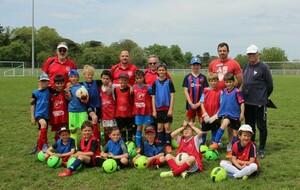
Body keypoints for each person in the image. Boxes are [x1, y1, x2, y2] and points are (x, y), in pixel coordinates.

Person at [208, 42, 243, 156]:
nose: (222, 52)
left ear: (228, 51)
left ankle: (230, 144)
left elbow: (239, 79)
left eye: (224, 50)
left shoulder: (234, 63)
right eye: (220, 51)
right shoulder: (213, 63)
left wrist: (231, 93)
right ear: (218, 51)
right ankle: (215, 141)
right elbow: (211, 78)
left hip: (229, 98)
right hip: (216, 96)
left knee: (230, 122)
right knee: (217, 119)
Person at [242, 44, 273, 158]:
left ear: (258, 54)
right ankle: (251, 146)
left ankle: (261, 149)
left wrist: (263, 97)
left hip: (259, 102)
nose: (251, 55)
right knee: (249, 126)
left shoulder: (263, 67)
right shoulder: (245, 66)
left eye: (253, 53)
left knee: (261, 126)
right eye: (249, 53)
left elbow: (270, 85)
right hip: (247, 102)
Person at [210, 73, 245, 159]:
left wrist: (242, 114)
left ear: (233, 82)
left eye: (230, 82)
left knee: (235, 133)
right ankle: (215, 143)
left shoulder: (237, 91)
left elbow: (242, 103)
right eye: (227, 82)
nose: (228, 84)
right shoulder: (225, 91)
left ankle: (233, 151)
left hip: (236, 116)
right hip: (227, 114)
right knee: (224, 124)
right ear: (225, 83)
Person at [151, 64, 175, 153]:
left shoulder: (169, 82)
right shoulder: (155, 83)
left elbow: (172, 96)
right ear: (157, 71)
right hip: (158, 109)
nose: (161, 72)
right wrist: (154, 110)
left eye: (163, 70)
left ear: (166, 71)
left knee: (167, 126)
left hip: (167, 108)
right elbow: (153, 97)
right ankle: (160, 144)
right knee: (160, 127)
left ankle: (168, 144)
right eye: (159, 70)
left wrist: (171, 109)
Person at [65, 69, 89, 149]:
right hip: (72, 111)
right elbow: (68, 98)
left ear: (78, 78)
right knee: (73, 130)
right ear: (69, 78)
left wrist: (84, 99)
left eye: (75, 77)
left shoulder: (82, 87)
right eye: (71, 77)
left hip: (82, 111)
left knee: (85, 130)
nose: (73, 78)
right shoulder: (68, 87)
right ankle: (74, 147)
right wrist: (67, 92)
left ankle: (85, 146)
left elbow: (86, 100)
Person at [182, 57, 208, 123]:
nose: (195, 67)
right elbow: (185, 91)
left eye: (197, 65)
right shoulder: (187, 77)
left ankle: (202, 133)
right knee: (191, 122)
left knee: (202, 121)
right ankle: (191, 133)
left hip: (201, 103)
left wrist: (199, 103)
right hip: (190, 104)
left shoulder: (203, 77)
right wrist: (190, 103)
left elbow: (206, 91)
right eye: (194, 65)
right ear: (191, 66)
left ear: (200, 66)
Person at [132, 70, 153, 153]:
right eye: (137, 78)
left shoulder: (148, 87)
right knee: (139, 127)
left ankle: (149, 143)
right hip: (138, 111)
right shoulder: (133, 87)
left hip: (147, 111)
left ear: (143, 78)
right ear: (135, 79)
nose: (139, 79)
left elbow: (153, 96)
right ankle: (138, 145)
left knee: (148, 127)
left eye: (140, 78)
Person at [30, 73, 51, 154]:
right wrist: (32, 117)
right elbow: (32, 105)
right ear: (39, 81)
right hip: (38, 114)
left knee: (42, 131)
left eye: (46, 81)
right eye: (42, 81)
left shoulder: (49, 90)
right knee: (43, 124)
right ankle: (45, 145)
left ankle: (38, 147)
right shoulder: (35, 93)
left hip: (46, 114)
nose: (44, 83)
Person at [200, 72, 222, 145]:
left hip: (215, 117)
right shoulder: (205, 90)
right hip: (206, 116)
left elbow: (222, 105)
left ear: (217, 81)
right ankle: (202, 144)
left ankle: (213, 145)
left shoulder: (220, 92)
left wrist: (216, 115)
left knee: (214, 131)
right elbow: (201, 103)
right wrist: (205, 114)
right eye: (211, 81)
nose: (213, 83)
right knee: (204, 131)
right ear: (209, 81)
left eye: (215, 81)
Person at [82, 65, 102, 142]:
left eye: (91, 74)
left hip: (98, 105)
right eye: (88, 74)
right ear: (84, 75)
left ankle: (97, 140)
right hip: (89, 106)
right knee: (93, 119)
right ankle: (94, 140)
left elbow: (107, 82)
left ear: (93, 74)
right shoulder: (82, 84)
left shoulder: (97, 82)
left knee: (97, 124)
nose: (89, 76)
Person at [114, 72, 134, 142]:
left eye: (125, 80)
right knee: (122, 129)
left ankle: (130, 142)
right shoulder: (116, 90)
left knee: (129, 129)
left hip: (128, 113)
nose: (123, 82)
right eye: (121, 80)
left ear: (128, 81)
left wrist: (131, 87)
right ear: (119, 80)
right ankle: (124, 141)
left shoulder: (130, 90)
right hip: (119, 113)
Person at [99, 70, 117, 143]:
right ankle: (107, 144)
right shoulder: (100, 88)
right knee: (106, 130)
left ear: (110, 79)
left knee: (112, 130)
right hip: (104, 113)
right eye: (104, 78)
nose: (105, 80)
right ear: (101, 78)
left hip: (112, 113)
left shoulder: (113, 87)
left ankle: (114, 143)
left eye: (107, 79)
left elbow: (122, 85)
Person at [49, 75, 69, 141]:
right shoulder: (51, 93)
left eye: (61, 83)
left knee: (65, 131)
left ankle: (66, 144)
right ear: (54, 84)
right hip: (55, 117)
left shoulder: (65, 92)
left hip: (64, 117)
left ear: (64, 83)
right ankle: (58, 144)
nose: (59, 85)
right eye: (57, 83)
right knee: (57, 132)